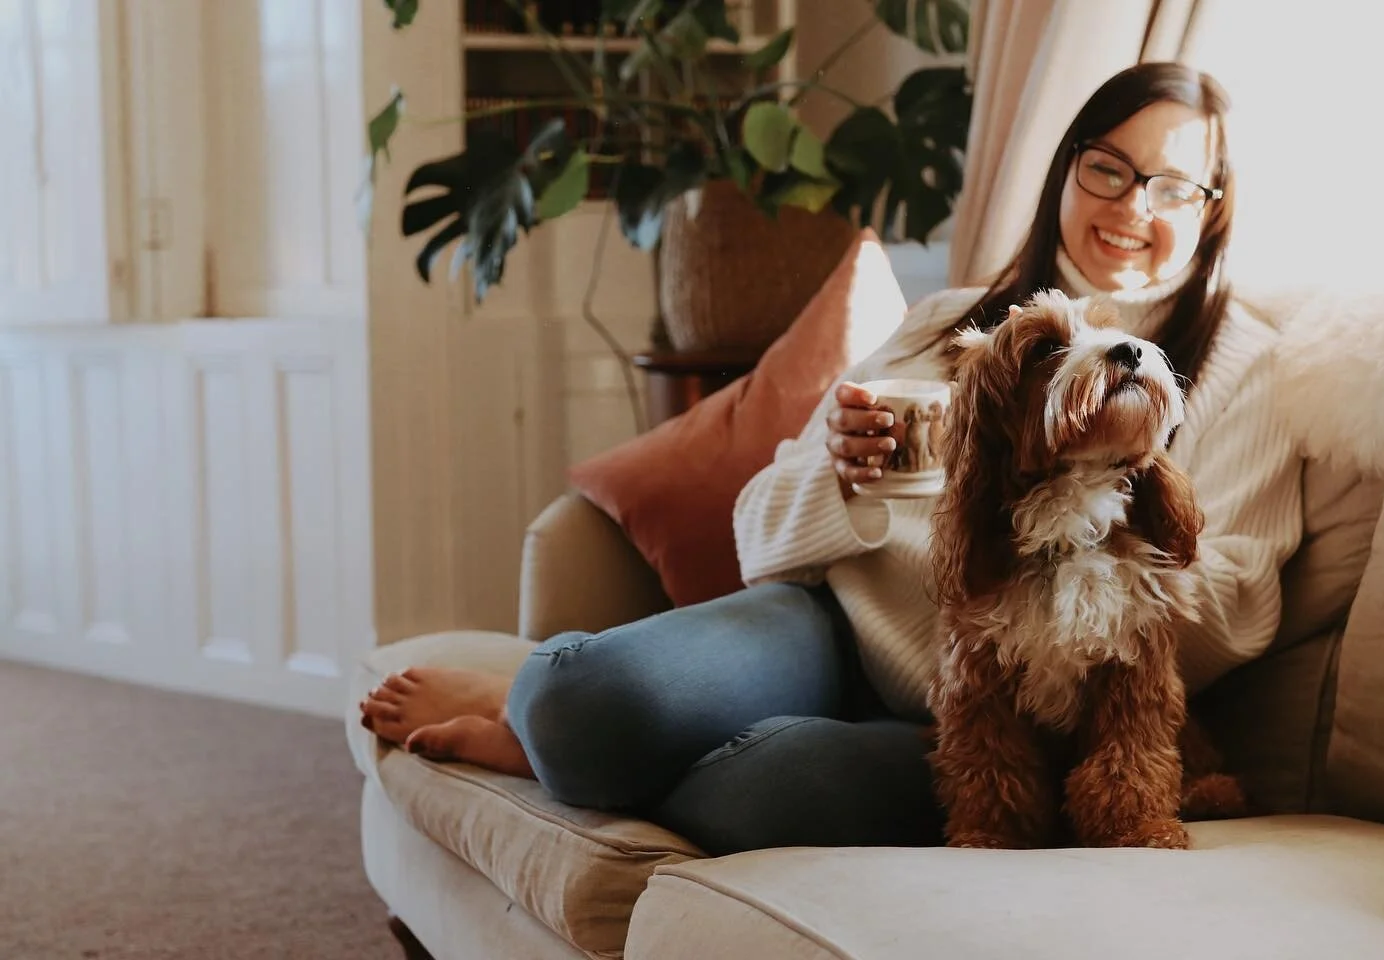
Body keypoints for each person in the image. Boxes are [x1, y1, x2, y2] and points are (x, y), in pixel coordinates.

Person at [359, 61, 1303, 857]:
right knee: (579, 699)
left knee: (779, 790)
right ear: (1065, 174)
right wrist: (840, 479)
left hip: (984, 717)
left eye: (1174, 185)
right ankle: (546, 727)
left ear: (1213, 213)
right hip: (825, 625)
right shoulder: (951, 323)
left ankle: (577, 759)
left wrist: (1102, 525)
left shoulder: (1242, 369)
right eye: (1109, 168)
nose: (1134, 205)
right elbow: (759, 524)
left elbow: (1243, 606)